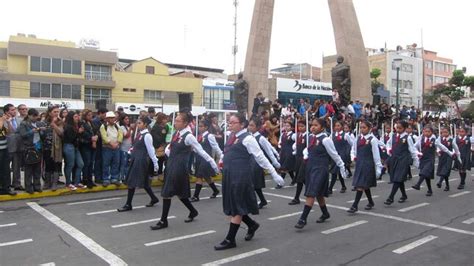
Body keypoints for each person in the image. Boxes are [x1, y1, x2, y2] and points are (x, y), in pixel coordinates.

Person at [214, 113, 284, 250]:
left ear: (242, 124)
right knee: (235, 204)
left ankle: (230, 239)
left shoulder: (248, 139)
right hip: (229, 174)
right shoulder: (231, 136)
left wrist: (274, 174)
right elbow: (226, 152)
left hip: (240, 175)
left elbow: (261, 157)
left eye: (233, 122)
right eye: (230, 122)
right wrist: (221, 161)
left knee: (236, 207)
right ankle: (252, 225)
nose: (230, 124)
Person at [150, 112, 219, 230]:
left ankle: (163, 221)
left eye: (178, 121)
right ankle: (193, 211)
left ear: (185, 123)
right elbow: (171, 148)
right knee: (180, 193)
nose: (175, 123)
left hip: (179, 167)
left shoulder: (189, 136)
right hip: (171, 165)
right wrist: (166, 151)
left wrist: (213, 163)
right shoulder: (177, 134)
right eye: (175, 120)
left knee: (167, 193)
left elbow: (200, 151)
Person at [294, 118, 347, 229]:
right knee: (318, 193)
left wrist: (342, 166)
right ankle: (325, 213)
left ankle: (303, 218)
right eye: (312, 125)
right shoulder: (310, 137)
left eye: (316, 125)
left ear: (322, 127)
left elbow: (334, 154)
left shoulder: (326, 139)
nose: (313, 127)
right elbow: (308, 150)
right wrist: (305, 154)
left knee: (311, 193)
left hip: (320, 169)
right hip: (310, 168)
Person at [117, 116, 159, 212]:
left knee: (131, 182)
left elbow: (151, 150)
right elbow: (136, 146)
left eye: (140, 123)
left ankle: (128, 204)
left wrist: (155, 163)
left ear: (145, 124)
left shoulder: (147, 136)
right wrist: (130, 151)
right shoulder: (139, 134)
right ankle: (154, 198)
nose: (138, 124)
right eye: (137, 122)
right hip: (135, 158)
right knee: (144, 182)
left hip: (141, 160)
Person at [347, 121, 382, 213]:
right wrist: (353, 156)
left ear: (369, 129)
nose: (362, 129)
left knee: (360, 185)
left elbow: (376, 154)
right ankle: (370, 202)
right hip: (359, 164)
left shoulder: (372, 139)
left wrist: (378, 167)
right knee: (364, 185)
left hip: (367, 164)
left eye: (364, 127)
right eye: (361, 127)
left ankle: (355, 205)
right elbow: (353, 149)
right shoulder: (358, 138)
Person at [247, 117, 281, 208]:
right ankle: (262, 201)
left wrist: (275, 161)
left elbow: (269, 150)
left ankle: (254, 202)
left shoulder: (261, 138)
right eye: (249, 125)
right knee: (254, 185)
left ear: (258, 127)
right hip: (250, 161)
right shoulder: (249, 137)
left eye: (252, 125)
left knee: (253, 184)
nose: (249, 127)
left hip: (257, 163)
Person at [383, 121, 419, 205]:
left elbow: (412, 150)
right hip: (394, 159)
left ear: (405, 128)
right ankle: (404, 195)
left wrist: (416, 160)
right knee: (398, 179)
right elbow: (388, 144)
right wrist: (389, 149)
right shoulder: (393, 136)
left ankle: (391, 197)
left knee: (397, 178)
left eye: (400, 128)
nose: (398, 129)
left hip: (403, 160)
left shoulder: (407, 138)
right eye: (397, 128)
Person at [190, 119, 222, 202]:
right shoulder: (199, 136)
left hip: (206, 159)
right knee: (207, 177)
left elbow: (215, 147)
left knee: (199, 176)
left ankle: (196, 196)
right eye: (199, 126)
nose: (199, 128)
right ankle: (215, 190)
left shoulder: (210, 136)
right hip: (198, 158)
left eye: (201, 126)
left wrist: (221, 156)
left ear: (206, 127)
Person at [411, 126, 446, 196]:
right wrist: (417, 153)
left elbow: (440, 147)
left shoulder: (434, 140)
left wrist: (447, 152)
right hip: (423, 159)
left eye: (428, 131)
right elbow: (414, 147)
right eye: (425, 131)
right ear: (423, 132)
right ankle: (429, 190)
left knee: (424, 172)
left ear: (432, 132)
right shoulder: (420, 140)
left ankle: (418, 184)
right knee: (427, 176)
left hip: (430, 159)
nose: (427, 133)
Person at [19, 108, 45, 194]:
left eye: (36, 116)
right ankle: (28, 186)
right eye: (34, 116)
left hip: (38, 147)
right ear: (29, 115)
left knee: (37, 168)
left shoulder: (38, 123)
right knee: (29, 169)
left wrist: (41, 130)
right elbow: (22, 135)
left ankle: (37, 185)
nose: (35, 118)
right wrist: (32, 131)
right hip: (29, 148)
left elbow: (42, 135)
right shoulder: (24, 124)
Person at [328, 120, 353, 195]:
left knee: (334, 172)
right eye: (335, 126)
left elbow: (352, 144)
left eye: (338, 126)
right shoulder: (332, 135)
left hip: (342, 155)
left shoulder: (346, 135)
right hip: (335, 155)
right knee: (338, 171)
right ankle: (343, 186)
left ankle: (330, 189)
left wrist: (349, 153)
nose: (337, 127)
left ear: (341, 126)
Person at [42, 105, 63, 191]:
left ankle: (54, 183)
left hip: (56, 147)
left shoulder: (60, 122)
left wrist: (54, 124)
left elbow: (61, 133)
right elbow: (43, 133)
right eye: (54, 112)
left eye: (58, 112)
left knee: (56, 165)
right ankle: (47, 183)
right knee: (48, 165)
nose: (56, 113)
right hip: (47, 146)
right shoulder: (44, 121)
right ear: (50, 113)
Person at [3, 104, 24, 191]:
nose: (14, 111)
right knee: (5, 168)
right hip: (7, 147)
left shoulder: (19, 120)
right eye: (12, 110)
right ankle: (5, 184)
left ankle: (16, 184)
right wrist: (8, 121)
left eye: (14, 109)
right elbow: (10, 132)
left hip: (18, 146)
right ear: (6, 112)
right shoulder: (3, 121)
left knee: (16, 167)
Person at [100, 111, 123, 186]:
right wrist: (111, 143)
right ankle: (106, 179)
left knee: (115, 163)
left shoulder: (117, 126)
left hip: (116, 147)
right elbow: (104, 137)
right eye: (111, 118)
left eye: (113, 118)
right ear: (107, 119)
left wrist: (118, 143)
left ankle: (114, 178)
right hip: (107, 148)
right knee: (106, 164)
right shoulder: (103, 126)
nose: (113, 120)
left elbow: (120, 134)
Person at [63, 111, 85, 190]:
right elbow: (70, 138)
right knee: (70, 164)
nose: (77, 118)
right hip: (69, 146)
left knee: (80, 164)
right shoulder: (68, 126)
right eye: (75, 117)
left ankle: (77, 181)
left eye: (77, 116)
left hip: (75, 147)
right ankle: (68, 183)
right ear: (71, 118)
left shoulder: (77, 125)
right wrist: (78, 132)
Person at [436, 127, 461, 191]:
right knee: (445, 171)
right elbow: (437, 146)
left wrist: (458, 157)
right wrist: (438, 151)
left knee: (446, 169)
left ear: (449, 132)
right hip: (442, 156)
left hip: (449, 157)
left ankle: (440, 182)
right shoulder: (440, 139)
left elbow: (456, 149)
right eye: (443, 132)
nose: (444, 133)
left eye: (446, 132)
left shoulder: (452, 140)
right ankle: (447, 185)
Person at [289, 120, 307, 205]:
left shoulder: (308, 136)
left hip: (305, 160)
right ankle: (298, 197)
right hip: (298, 159)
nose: (300, 128)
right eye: (299, 126)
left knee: (301, 179)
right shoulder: (298, 135)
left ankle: (297, 197)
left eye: (302, 126)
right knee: (301, 179)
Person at [79, 109, 97, 188]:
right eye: (88, 115)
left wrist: (96, 137)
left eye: (91, 115)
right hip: (85, 145)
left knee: (91, 163)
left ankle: (90, 179)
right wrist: (91, 138)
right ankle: (85, 179)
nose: (90, 116)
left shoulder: (92, 123)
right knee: (87, 163)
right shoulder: (82, 123)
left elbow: (96, 131)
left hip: (92, 145)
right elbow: (83, 133)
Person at [0, 112, 16, 195]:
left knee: (6, 170)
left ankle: (6, 188)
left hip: (5, 149)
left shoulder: (3, 123)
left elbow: (10, 132)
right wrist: (2, 120)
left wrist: (9, 122)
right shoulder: (1, 123)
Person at [92, 108, 108, 184]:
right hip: (98, 143)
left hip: (102, 144)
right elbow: (97, 131)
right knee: (98, 161)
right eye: (104, 114)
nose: (105, 116)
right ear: (100, 113)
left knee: (101, 161)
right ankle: (98, 177)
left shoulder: (102, 121)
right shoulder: (96, 121)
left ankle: (100, 176)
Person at [278, 121, 296, 188]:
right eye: (285, 125)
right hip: (283, 152)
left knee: (284, 168)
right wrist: (279, 146)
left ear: (292, 127)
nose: (286, 127)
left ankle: (280, 183)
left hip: (289, 153)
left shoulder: (293, 135)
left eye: (288, 126)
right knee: (288, 168)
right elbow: (280, 142)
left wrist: (294, 149)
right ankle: (294, 179)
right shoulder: (282, 134)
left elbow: (297, 143)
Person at [118, 114, 133, 182]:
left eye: (128, 119)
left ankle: (127, 177)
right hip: (123, 148)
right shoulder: (121, 127)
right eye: (125, 119)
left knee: (128, 164)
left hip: (130, 149)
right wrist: (130, 129)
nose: (127, 120)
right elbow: (126, 136)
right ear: (122, 120)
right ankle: (122, 177)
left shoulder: (129, 127)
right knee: (123, 164)